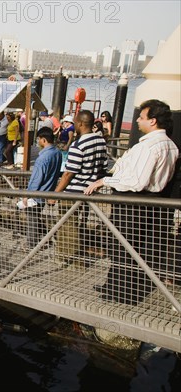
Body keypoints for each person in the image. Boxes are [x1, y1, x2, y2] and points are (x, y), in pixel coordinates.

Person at [85, 99, 179, 305]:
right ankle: (120, 287)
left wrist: (105, 180)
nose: (137, 120)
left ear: (153, 121)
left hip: (133, 202)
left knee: (122, 246)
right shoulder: (170, 145)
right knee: (140, 248)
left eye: (141, 117)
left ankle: (119, 292)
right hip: (154, 201)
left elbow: (136, 182)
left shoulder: (149, 147)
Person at [52, 110, 108, 263]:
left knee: (67, 225)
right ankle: (75, 256)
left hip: (74, 191)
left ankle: (68, 258)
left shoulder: (78, 145)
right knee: (80, 223)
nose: (74, 125)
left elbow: (68, 174)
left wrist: (55, 194)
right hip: (89, 190)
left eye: (76, 122)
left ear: (81, 124)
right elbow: (103, 167)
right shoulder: (101, 141)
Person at [23, 128, 62, 248]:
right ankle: (45, 237)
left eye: (39, 139)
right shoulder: (57, 153)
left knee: (32, 218)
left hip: (38, 192)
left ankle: (31, 244)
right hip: (49, 189)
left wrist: (27, 194)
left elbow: (36, 179)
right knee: (35, 216)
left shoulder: (42, 158)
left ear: (43, 140)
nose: (38, 141)